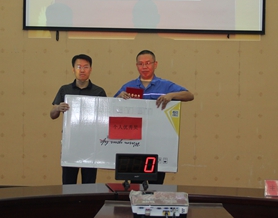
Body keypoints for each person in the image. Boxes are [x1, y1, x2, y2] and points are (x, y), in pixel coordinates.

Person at [114, 50, 194, 184]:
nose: (144, 67)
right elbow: (112, 108)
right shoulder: (128, 86)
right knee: (135, 186)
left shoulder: (165, 85)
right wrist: (118, 97)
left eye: (148, 63)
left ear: (155, 64)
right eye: (141, 64)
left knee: (155, 186)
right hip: (133, 142)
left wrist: (171, 95)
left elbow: (189, 95)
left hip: (158, 142)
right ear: (136, 66)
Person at [51, 54, 107, 184]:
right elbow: (52, 115)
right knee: (68, 182)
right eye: (79, 67)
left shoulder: (99, 92)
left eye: (85, 67)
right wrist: (58, 107)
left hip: (91, 143)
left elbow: (105, 118)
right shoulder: (65, 89)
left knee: (89, 182)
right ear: (73, 69)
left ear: (90, 69)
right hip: (70, 142)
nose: (82, 70)